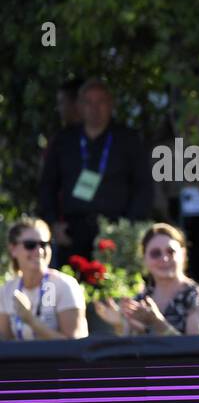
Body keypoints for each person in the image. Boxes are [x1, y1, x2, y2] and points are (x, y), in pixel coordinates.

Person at [38, 79, 155, 268]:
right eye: (88, 102)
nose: (95, 108)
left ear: (111, 104)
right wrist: (53, 224)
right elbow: (47, 185)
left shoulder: (128, 139)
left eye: (101, 102)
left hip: (115, 230)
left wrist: (129, 227)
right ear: (79, 106)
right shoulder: (64, 140)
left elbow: (143, 187)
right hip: (72, 230)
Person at [95, 223, 199, 336]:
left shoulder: (197, 296)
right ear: (144, 258)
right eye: (155, 253)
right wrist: (120, 322)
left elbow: (197, 351)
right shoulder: (141, 299)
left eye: (171, 251)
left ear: (183, 254)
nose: (164, 259)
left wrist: (157, 322)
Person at [0, 217, 88, 341]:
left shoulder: (65, 285)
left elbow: (74, 347)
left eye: (44, 244)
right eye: (30, 245)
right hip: (21, 360)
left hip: (59, 361)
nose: (39, 251)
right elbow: (4, 341)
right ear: (13, 249)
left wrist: (31, 320)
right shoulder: (6, 290)